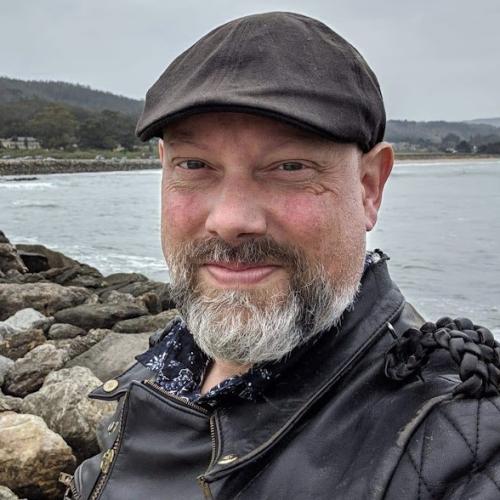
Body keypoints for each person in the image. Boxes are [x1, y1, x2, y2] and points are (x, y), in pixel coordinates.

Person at [65, 12, 500, 500]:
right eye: (195, 164)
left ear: (369, 187)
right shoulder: (164, 366)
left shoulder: (459, 441)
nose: (230, 220)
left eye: (290, 167)